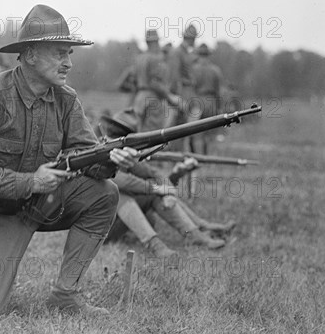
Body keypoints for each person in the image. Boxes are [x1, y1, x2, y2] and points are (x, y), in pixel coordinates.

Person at [0, 4, 138, 317]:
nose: (68, 63)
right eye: (60, 53)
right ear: (30, 55)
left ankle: (66, 295)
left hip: (34, 206)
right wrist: (30, 182)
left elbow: (91, 160)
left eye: (70, 54)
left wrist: (113, 159)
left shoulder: (66, 99)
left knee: (103, 193)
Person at [100, 109, 233, 252]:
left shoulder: (124, 154)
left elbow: (154, 172)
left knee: (156, 192)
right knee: (119, 195)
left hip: (121, 221)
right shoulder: (98, 155)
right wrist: (157, 188)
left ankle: (195, 234)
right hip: (100, 231)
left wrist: (168, 191)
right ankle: (155, 245)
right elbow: (122, 181)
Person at [132, 29, 180, 132]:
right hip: (152, 99)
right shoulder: (155, 59)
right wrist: (170, 97)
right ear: (154, 42)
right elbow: (154, 83)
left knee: (138, 131)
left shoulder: (139, 58)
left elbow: (133, 81)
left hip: (139, 99)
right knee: (152, 134)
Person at [167, 24, 200, 152]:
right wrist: (177, 97)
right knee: (177, 129)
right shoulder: (178, 52)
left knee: (184, 129)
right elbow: (175, 76)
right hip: (182, 94)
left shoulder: (186, 52)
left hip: (188, 93)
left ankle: (181, 157)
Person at [191, 43, 226, 154]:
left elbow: (190, 88)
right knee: (208, 133)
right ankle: (206, 157)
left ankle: (197, 157)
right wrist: (219, 107)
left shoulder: (193, 69)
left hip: (197, 101)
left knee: (196, 134)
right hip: (211, 102)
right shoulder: (215, 70)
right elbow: (219, 92)